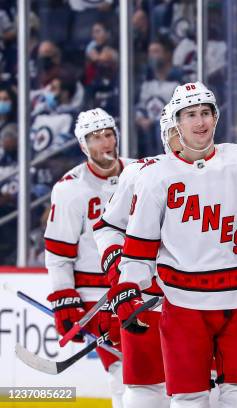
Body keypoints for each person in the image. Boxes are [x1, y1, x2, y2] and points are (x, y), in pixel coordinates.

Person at [109, 81, 237, 407]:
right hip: (184, 307)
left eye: (206, 113)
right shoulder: (155, 177)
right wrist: (128, 287)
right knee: (189, 399)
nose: (200, 122)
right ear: (176, 122)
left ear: (216, 117)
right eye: (191, 115)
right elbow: (139, 251)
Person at [93, 107, 180, 408]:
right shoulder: (140, 173)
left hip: (200, 301)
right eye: (174, 129)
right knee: (144, 388)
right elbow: (107, 228)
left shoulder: (224, 170)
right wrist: (121, 278)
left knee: (206, 388)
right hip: (146, 299)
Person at [44, 108, 130, 408]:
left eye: (108, 135)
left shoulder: (139, 174)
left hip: (142, 290)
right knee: (124, 373)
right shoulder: (70, 189)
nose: (105, 143)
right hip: (97, 300)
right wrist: (64, 296)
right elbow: (58, 252)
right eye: (95, 138)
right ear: (83, 146)